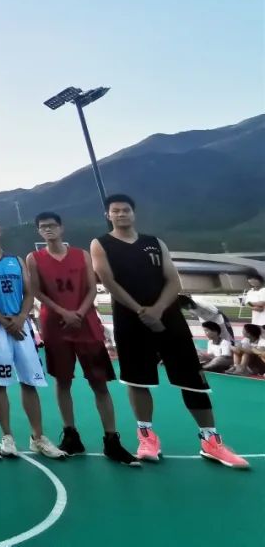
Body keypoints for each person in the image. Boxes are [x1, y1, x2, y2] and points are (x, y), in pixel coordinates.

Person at [91, 193, 248, 468]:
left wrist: (158, 310)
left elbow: (173, 280)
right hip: (129, 320)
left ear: (133, 213)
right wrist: (141, 311)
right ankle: (147, 438)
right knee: (138, 380)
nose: (121, 214)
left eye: (126, 210)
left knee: (192, 378)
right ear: (108, 215)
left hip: (169, 318)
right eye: (115, 211)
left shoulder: (154, 243)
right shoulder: (100, 243)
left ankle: (211, 441)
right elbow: (108, 281)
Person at [26, 212, 136, 465]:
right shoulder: (34, 258)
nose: (48, 229)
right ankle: (71, 434)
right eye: (43, 227)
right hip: (55, 326)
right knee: (63, 381)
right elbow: (36, 291)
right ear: (39, 231)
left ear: (61, 227)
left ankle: (111, 439)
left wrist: (79, 312)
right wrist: (63, 312)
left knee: (99, 383)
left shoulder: (81, 255)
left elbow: (91, 288)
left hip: (86, 324)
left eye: (52, 225)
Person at [0, 214, 65, 459]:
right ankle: (7, 436)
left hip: (21, 325)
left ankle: (38, 437)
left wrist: (22, 316)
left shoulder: (16, 260)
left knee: (29, 381)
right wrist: (4, 321)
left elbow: (28, 291)